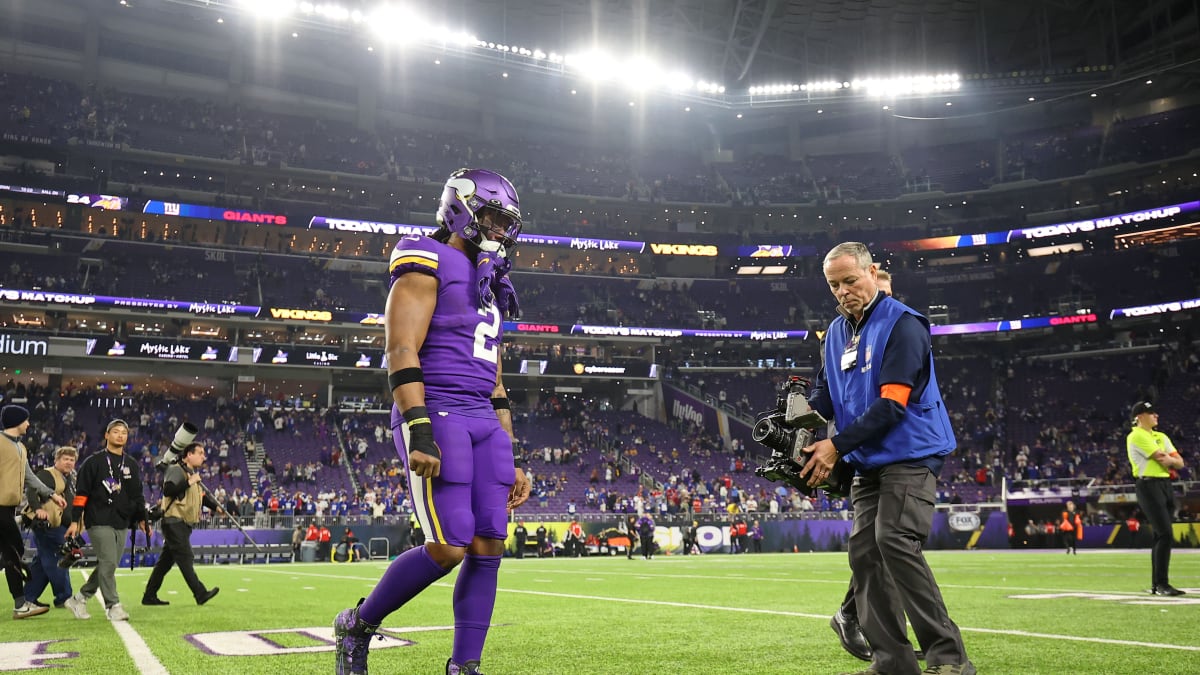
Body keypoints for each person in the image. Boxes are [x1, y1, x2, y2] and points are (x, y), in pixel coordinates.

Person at [334, 168, 532, 675]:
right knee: (449, 544)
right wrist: (418, 426)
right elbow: (400, 347)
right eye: (491, 217)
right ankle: (358, 623)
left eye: (506, 222)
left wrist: (511, 452)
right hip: (438, 407)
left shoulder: (492, 277)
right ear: (460, 208)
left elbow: (495, 380)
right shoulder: (426, 256)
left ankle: (464, 666)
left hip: (482, 417)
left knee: (489, 544)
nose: (499, 230)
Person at [800, 242, 973, 675]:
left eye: (850, 281)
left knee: (894, 540)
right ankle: (892, 663)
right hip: (867, 459)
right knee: (864, 554)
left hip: (911, 453)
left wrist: (835, 445)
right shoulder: (836, 332)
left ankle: (949, 659)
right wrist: (793, 415)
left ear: (872, 272)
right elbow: (826, 396)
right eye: (834, 285)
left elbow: (892, 405)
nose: (842, 291)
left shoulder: (904, 325)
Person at [830, 267, 898, 664]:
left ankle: (875, 632)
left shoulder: (898, 330)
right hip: (864, 455)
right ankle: (857, 618)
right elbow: (840, 397)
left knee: (887, 547)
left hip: (892, 451)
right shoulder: (844, 336)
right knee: (880, 547)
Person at [64, 419, 148, 621]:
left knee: (107, 564)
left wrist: (142, 519)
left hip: (122, 521)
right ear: (107, 435)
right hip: (98, 519)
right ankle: (113, 606)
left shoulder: (131, 465)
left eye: (124, 433)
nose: (120, 435)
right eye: (116, 432)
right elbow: (81, 494)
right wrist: (76, 520)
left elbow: (137, 496)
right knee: (109, 561)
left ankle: (79, 598)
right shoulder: (93, 463)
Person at [2, 405, 66, 620]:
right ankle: (21, 604)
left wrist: (52, 494)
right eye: (26, 420)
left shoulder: (21, 448)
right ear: (16, 421)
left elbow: (30, 477)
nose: (29, 424)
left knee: (9, 552)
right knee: (14, 549)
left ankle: (22, 603)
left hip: (9, 508)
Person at [141, 442, 222, 607]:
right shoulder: (177, 469)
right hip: (174, 521)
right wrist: (189, 482)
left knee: (164, 564)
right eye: (200, 453)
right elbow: (168, 490)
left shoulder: (191, 473)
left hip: (182, 523)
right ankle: (200, 593)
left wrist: (216, 506)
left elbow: (201, 496)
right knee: (185, 557)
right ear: (189, 454)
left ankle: (149, 595)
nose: (203, 456)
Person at [1127, 401, 1186, 596]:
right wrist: (1171, 461)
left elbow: (1180, 463)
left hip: (1164, 484)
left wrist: (1171, 461)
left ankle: (1158, 584)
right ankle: (1161, 583)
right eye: (1151, 413)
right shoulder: (1136, 435)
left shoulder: (1160, 436)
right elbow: (1162, 458)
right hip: (1148, 485)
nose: (1156, 416)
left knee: (1161, 535)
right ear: (1140, 416)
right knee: (1165, 534)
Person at [23, 446, 78, 611]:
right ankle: (64, 597)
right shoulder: (48, 474)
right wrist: (37, 508)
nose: (69, 462)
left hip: (59, 525)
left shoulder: (70, 478)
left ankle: (28, 597)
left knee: (43, 562)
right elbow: (32, 489)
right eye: (65, 459)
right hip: (48, 525)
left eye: (72, 459)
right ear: (57, 460)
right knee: (59, 558)